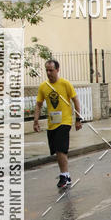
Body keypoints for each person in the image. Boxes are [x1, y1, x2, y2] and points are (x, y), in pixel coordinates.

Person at [34, 59, 82, 189]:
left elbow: (75, 100)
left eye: (51, 70)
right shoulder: (43, 86)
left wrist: (78, 119)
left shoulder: (65, 84)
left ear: (57, 70)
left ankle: (64, 175)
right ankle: (66, 175)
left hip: (65, 121)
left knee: (61, 149)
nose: (49, 73)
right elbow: (38, 104)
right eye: (47, 70)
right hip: (52, 123)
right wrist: (36, 121)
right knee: (57, 151)